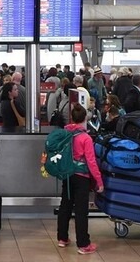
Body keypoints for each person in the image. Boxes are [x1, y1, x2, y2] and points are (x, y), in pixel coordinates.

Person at [56, 103, 103, 255]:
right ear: (84, 119)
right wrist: (99, 181)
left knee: (65, 205)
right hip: (81, 177)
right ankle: (83, 244)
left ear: (72, 118)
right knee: (81, 210)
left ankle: (62, 238)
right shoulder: (85, 138)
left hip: (67, 174)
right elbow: (91, 162)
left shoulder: (65, 134)